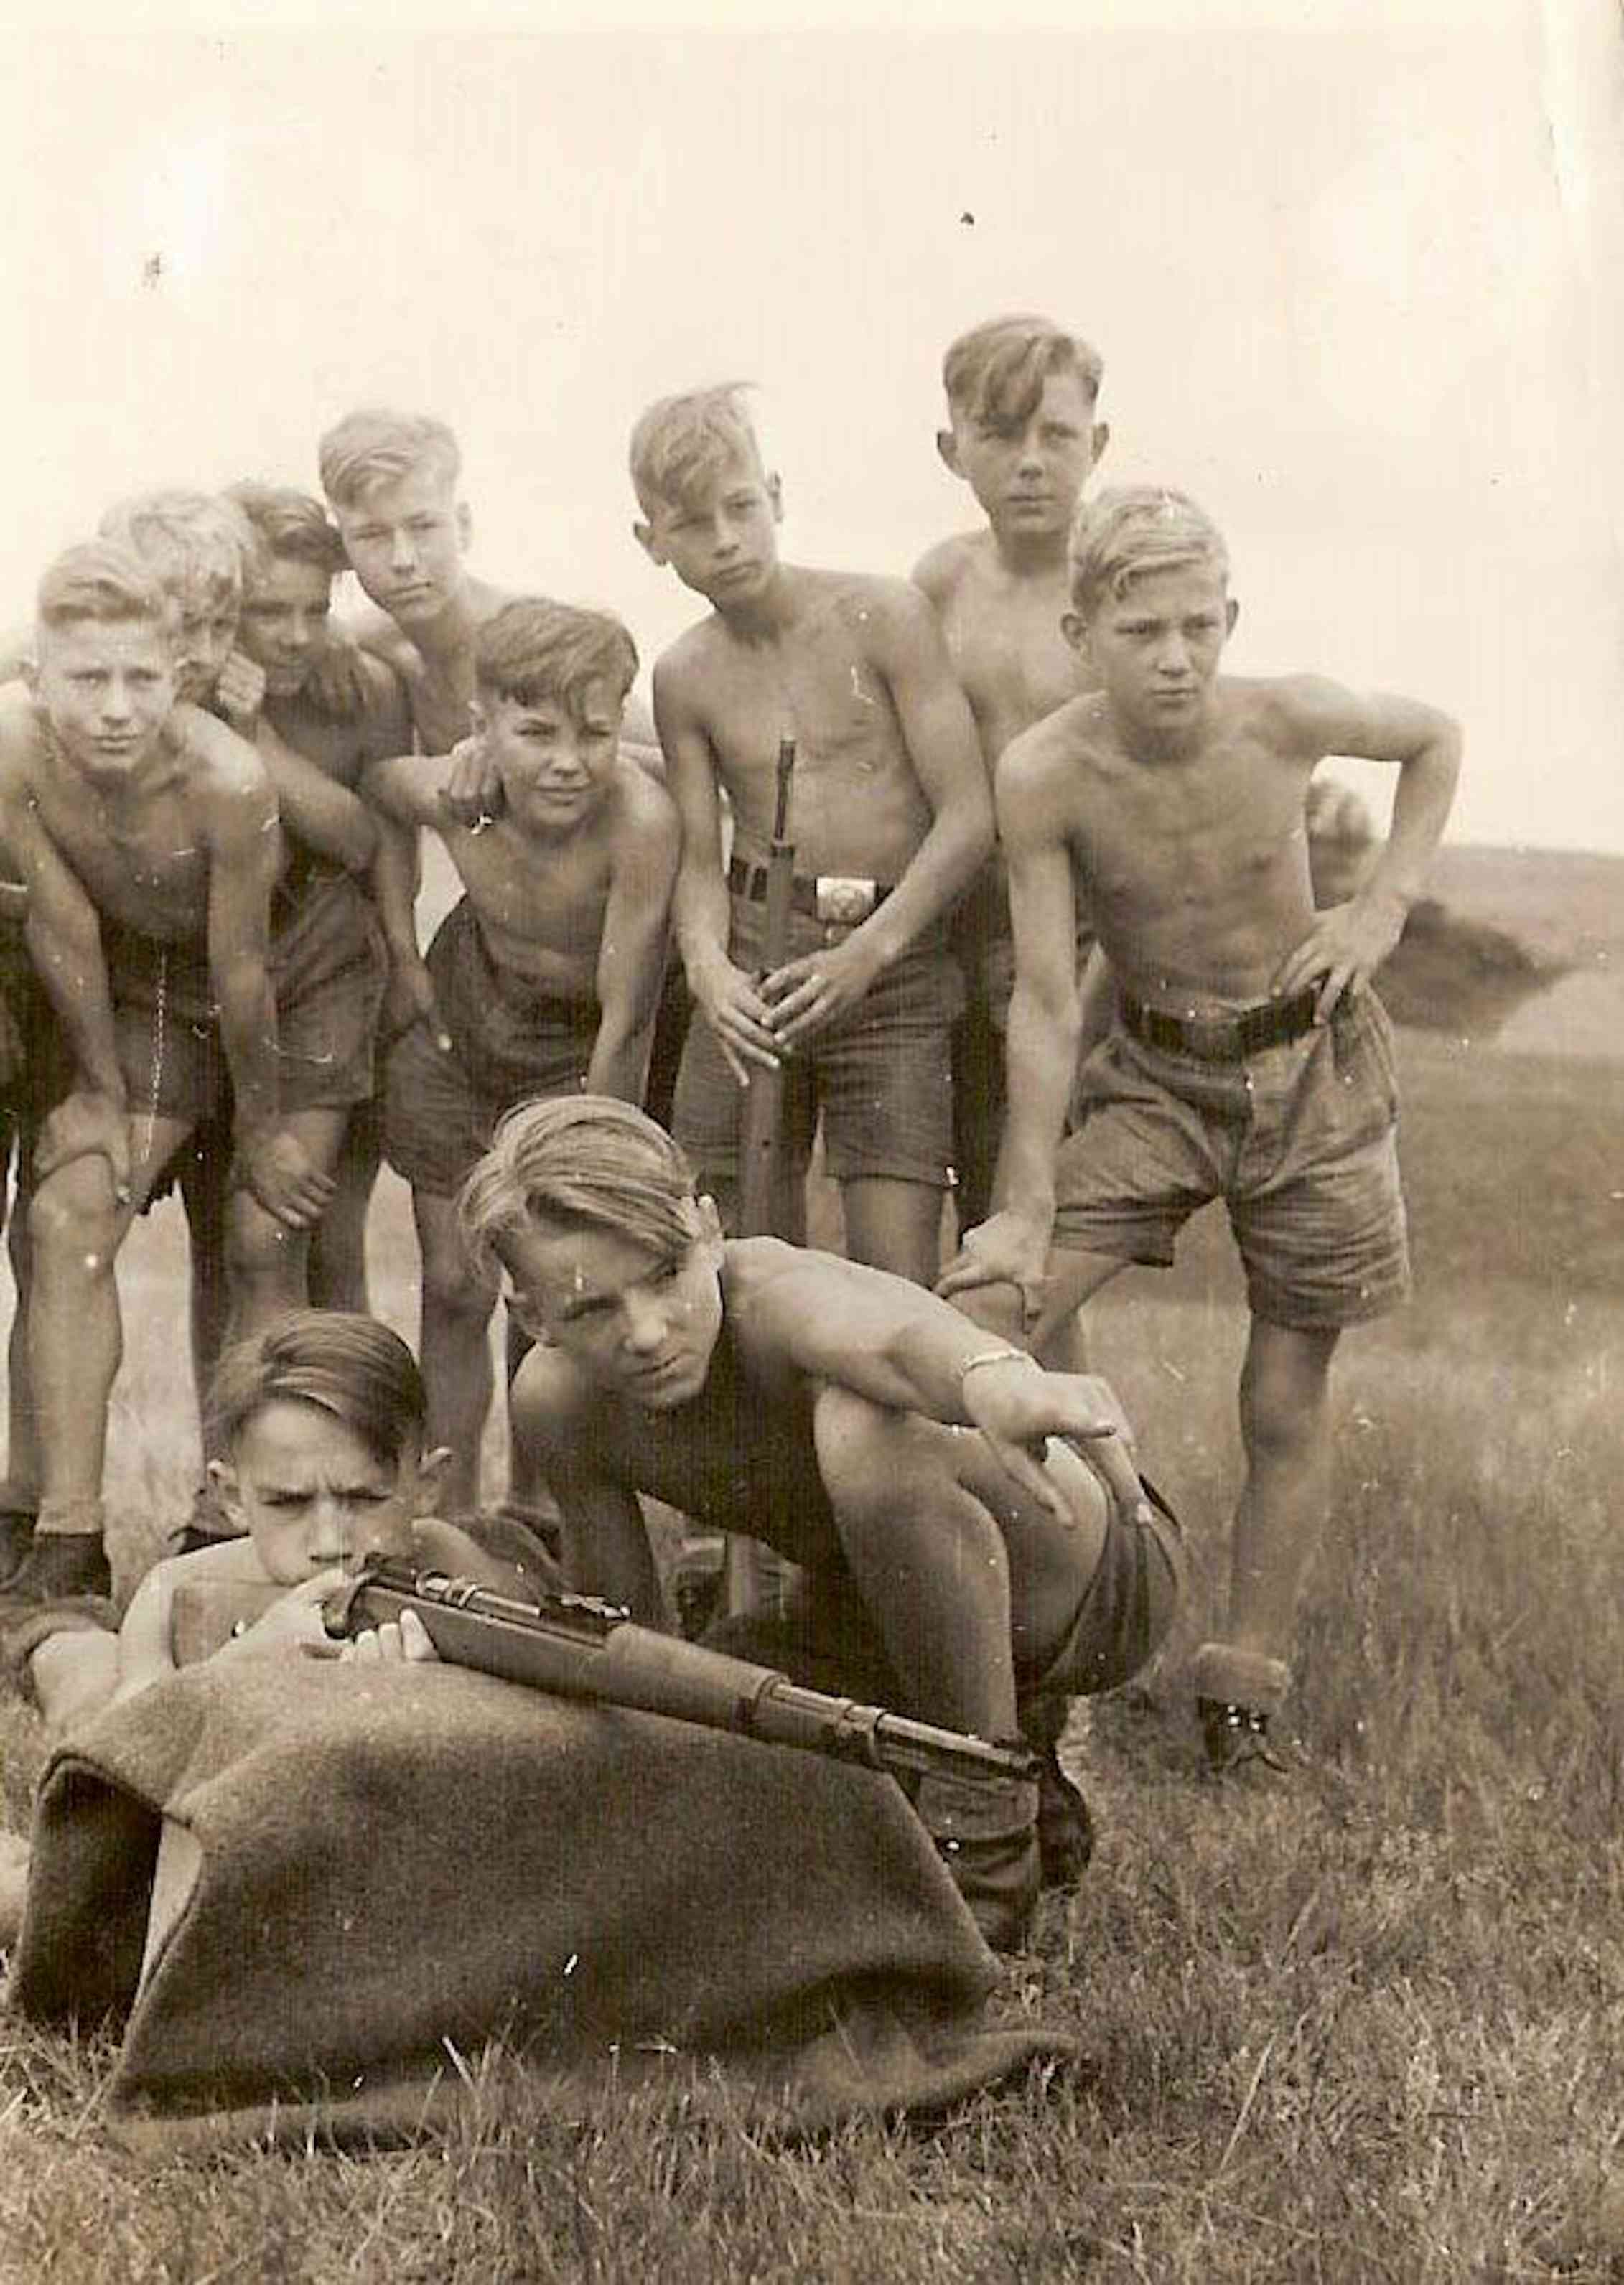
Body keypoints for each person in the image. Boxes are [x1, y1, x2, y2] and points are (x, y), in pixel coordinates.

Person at [937, 487, 1462, 1772]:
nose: (1173, 659)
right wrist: (1024, 1202)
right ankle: (1051, 1638)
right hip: (1157, 1080)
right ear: (1081, 633)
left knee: (1282, 1394)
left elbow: (1435, 738)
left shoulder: (1284, 717)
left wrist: (1380, 908)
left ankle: (1242, 1695)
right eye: (1139, 632)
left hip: (1310, 1076)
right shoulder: (1045, 771)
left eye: (1194, 627)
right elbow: (1052, 997)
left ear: (1228, 620)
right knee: (989, 1311)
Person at [462, 1094, 1184, 1950]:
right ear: (532, 1315)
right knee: (733, 1701)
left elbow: (889, 1340)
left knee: (867, 1422)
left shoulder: (775, 1295)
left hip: (1090, 1579)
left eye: (665, 1274)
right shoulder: (557, 1405)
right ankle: (1026, 1784)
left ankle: (987, 1845)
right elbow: (635, 1649)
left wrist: (992, 1376)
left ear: (709, 1231)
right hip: (869, 1615)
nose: (648, 1332)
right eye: (591, 1310)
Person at [0, 543, 380, 1604]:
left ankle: (237, 1528)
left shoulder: (229, 776)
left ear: (179, 673)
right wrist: (103, 1095)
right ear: (40, 670)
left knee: (264, 1230)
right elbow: (66, 921)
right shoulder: (10, 741)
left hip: (295, 972)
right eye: (87, 677)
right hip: (153, 978)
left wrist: (260, 1132)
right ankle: (68, 1537)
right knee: (71, 1210)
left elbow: (246, 974)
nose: (116, 707)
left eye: (141, 678)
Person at [0, 1311, 522, 1948]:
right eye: (288, 1503)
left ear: (428, 1486)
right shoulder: (176, 1589)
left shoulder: (452, 1567)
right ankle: (52, 1632)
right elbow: (127, 1762)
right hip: (140, 1691)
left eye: (365, 1499)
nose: (331, 1541)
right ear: (228, 1495)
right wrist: (244, 1668)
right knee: (79, 1681)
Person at [632, 384, 992, 1285]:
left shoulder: (885, 614)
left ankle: (885, 1427)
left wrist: (866, 958)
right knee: (717, 1250)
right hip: (757, 970)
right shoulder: (684, 675)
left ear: (778, 496)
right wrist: (710, 970)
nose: (725, 538)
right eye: (692, 522)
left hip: (893, 972)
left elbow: (968, 816)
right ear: (653, 542)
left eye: (741, 506)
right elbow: (701, 858)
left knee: (892, 1271)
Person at [360, 599, 678, 1515]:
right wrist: (399, 948)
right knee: (457, 1283)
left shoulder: (638, 823)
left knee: (555, 1288)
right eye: (534, 732)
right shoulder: (461, 795)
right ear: (482, 726)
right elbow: (383, 788)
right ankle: (448, 1509)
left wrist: (591, 1164)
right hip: (461, 1023)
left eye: (594, 732)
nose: (567, 761)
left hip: (580, 1051)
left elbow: (628, 1022)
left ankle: (538, 1511)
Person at [913, 314, 1112, 1235]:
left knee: (1035, 1222)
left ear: (1097, 444)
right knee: (947, 1202)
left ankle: (1047, 1385)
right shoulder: (942, 580)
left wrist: (1097, 982)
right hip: (954, 931)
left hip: (1081, 944)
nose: (1030, 462)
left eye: (1056, 435)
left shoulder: (1124, 594)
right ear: (954, 450)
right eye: (1001, 435)